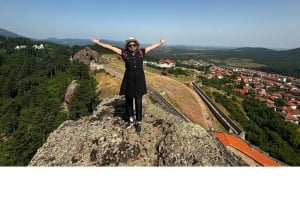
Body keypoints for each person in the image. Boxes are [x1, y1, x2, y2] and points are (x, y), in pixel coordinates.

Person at [90, 37, 167, 134]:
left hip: (139, 81)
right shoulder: (124, 53)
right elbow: (110, 47)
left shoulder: (141, 52)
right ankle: (131, 120)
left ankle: (138, 122)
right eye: (130, 45)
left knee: (138, 102)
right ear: (127, 46)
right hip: (128, 80)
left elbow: (152, 47)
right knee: (129, 101)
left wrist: (160, 43)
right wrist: (98, 43)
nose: (132, 47)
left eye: (134, 45)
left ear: (137, 45)